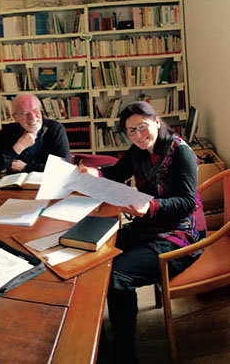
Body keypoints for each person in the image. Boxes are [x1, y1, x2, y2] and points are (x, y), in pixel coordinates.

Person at [77, 101, 206, 362]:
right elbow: (118, 172)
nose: (138, 135)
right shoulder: (138, 150)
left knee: (118, 276)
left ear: (157, 121)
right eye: (131, 131)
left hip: (181, 235)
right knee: (96, 248)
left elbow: (186, 202)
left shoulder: (181, 152)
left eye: (142, 126)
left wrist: (151, 206)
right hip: (150, 225)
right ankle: (96, 337)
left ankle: (125, 354)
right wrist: (95, 172)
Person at [0, 93, 70, 177]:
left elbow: (64, 168)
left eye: (36, 111)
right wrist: (19, 146)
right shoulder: (7, 131)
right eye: (25, 113)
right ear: (15, 117)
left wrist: (26, 167)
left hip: (48, 183)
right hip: (15, 184)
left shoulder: (55, 129)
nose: (32, 117)